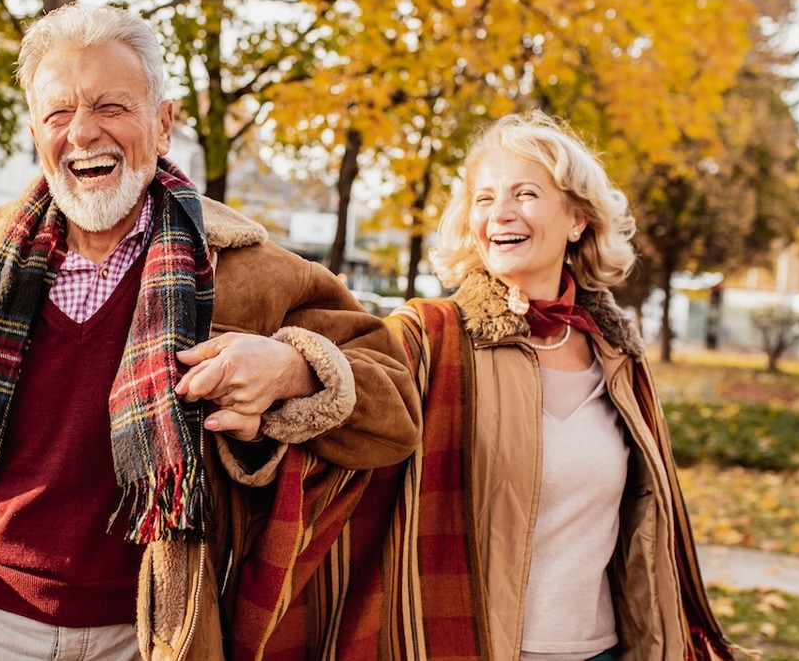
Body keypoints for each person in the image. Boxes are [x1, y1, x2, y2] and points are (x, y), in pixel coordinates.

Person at [0, 3, 420, 661]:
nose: (82, 133)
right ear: (34, 131)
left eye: (112, 106)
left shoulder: (250, 273)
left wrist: (291, 368)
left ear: (162, 124)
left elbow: (392, 410)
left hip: (149, 638)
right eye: (58, 113)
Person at [262, 112, 737, 660]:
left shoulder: (617, 356)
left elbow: (645, 531)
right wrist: (291, 367)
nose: (500, 214)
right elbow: (354, 382)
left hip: (600, 651)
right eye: (484, 199)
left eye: (526, 193)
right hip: (463, 644)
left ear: (577, 220)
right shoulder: (430, 335)